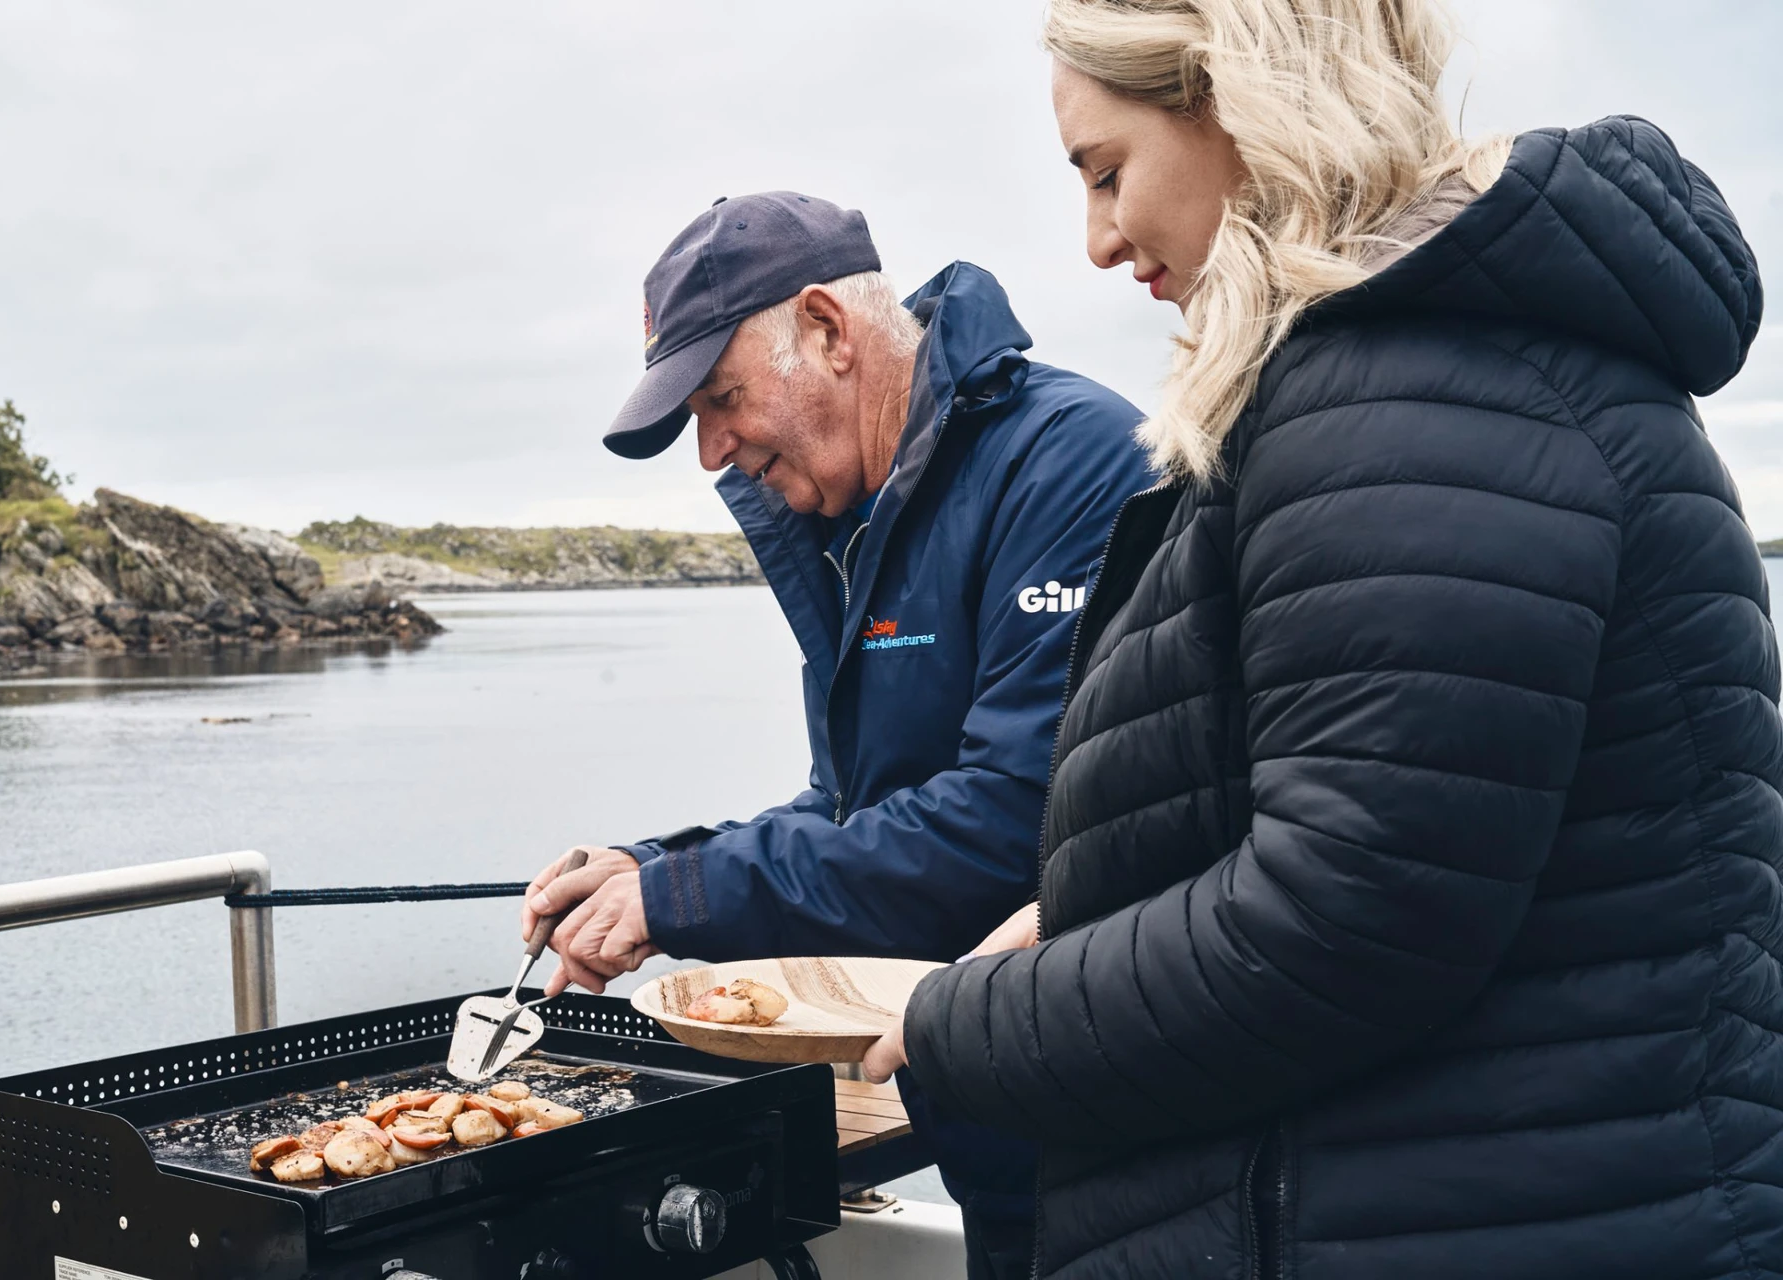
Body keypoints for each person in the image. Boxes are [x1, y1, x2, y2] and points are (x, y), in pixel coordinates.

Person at [866, 2, 1780, 1278]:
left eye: (1107, 170)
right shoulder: (1439, 370)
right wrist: (1076, 913)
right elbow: (1371, 815)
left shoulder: (1405, 392)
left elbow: (1344, 924)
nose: (1097, 238)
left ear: (1243, 99)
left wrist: (952, 1020)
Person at [519, 191, 1156, 1277]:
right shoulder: (859, 520)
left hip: (1121, 1129)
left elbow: (1020, 817)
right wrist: (656, 864)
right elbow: (854, 806)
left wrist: (681, 899)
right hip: (992, 1120)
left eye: (722, 397)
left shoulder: (1070, 460)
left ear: (827, 327)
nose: (713, 450)